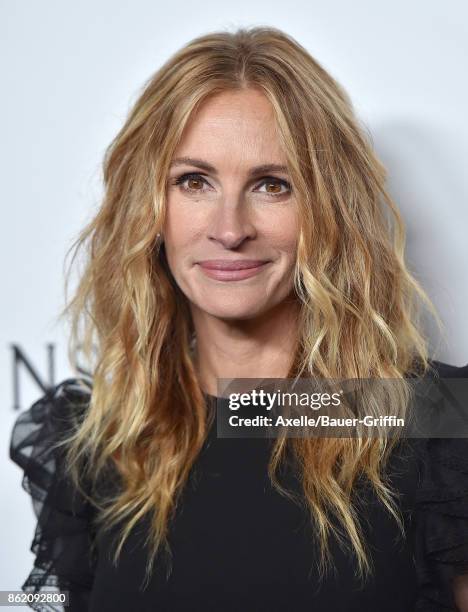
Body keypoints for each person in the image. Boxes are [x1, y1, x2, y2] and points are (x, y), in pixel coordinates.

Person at [9, 25, 468, 612]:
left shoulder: (430, 419)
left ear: (329, 211)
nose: (229, 229)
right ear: (149, 207)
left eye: (273, 185)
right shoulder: (99, 438)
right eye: (193, 181)